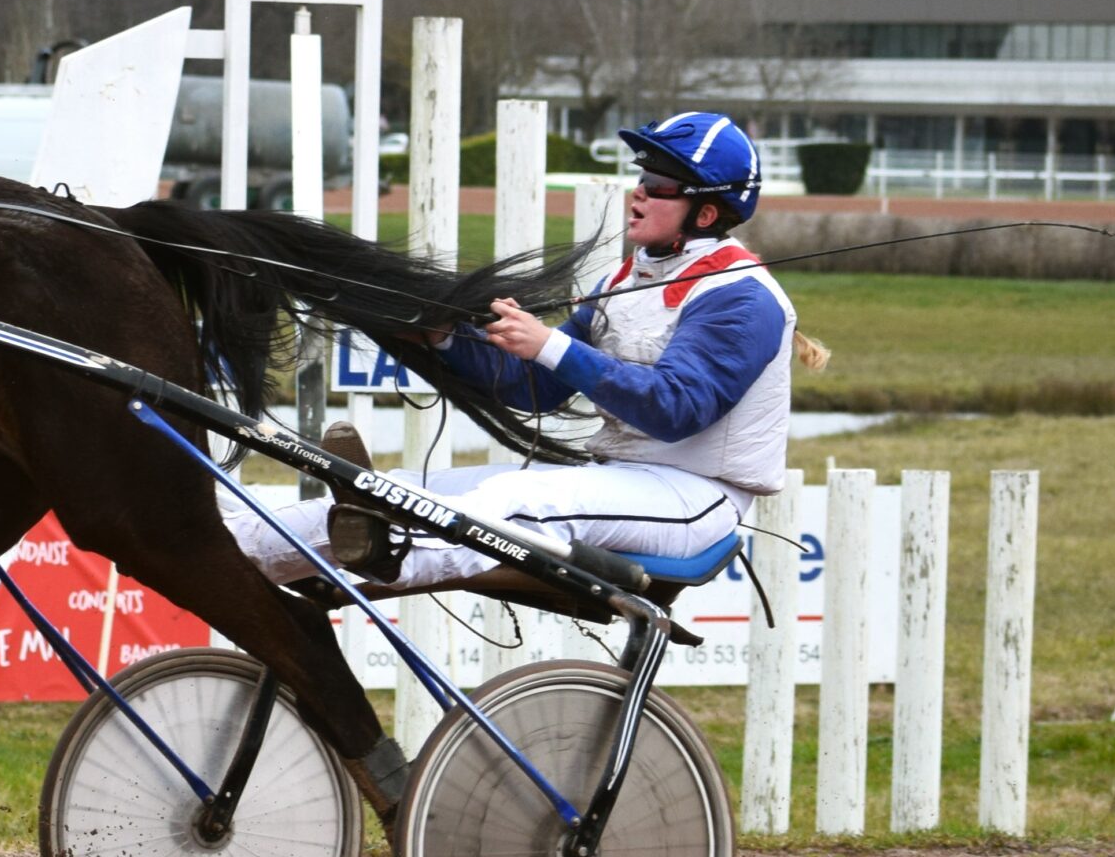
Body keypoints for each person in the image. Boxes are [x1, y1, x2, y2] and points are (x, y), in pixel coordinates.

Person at [229, 110, 815, 592]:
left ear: (707, 213)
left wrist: (553, 345)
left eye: (660, 186)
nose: (638, 193)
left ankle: (388, 553)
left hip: (695, 500)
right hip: (624, 481)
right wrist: (441, 337)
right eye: (641, 177)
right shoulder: (626, 281)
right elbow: (532, 388)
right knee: (404, 488)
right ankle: (233, 550)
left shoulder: (742, 299)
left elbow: (674, 409)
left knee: (518, 498)